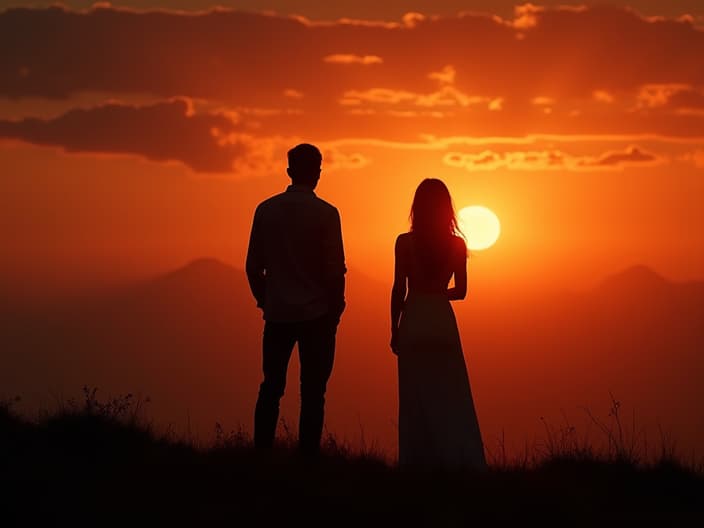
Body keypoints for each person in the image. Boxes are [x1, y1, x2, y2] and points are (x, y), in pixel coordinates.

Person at [246, 143, 346, 457]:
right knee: (314, 393)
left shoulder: (266, 209)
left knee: (271, 387)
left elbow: (253, 267)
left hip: (277, 315)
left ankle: (261, 454)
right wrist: (335, 309)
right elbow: (334, 269)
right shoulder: (327, 214)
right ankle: (308, 460)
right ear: (318, 173)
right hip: (317, 315)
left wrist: (266, 300)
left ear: (289, 171)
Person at [390, 178, 486, 470]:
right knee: (450, 395)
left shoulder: (404, 242)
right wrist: (437, 294)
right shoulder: (457, 244)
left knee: (414, 398)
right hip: (441, 320)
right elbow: (462, 291)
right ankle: (457, 459)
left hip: (414, 318)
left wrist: (394, 329)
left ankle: (416, 462)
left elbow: (398, 289)